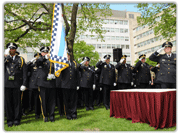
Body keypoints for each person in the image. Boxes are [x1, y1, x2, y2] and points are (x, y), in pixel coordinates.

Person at [4, 42, 27, 127]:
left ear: (15, 50)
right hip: (6, 84)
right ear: (8, 50)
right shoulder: (5, 59)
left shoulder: (20, 59)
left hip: (17, 84)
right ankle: (9, 119)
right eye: (10, 49)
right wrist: (5, 57)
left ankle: (17, 119)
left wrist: (24, 84)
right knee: (8, 103)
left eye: (13, 49)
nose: (12, 50)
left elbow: (24, 73)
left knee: (17, 102)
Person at [35, 46, 56, 122]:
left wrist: (54, 74)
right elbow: (38, 62)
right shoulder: (40, 58)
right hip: (43, 83)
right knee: (43, 100)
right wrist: (44, 57)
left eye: (47, 52)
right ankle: (45, 116)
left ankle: (52, 115)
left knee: (52, 100)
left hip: (51, 82)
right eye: (44, 52)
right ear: (41, 53)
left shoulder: (52, 60)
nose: (46, 53)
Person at [56, 52, 79, 120]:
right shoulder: (62, 64)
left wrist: (77, 84)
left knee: (73, 101)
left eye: (68, 55)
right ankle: (68, 115)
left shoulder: (74, 63)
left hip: (73, 84)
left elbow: (77, 74)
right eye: (66, 55)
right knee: (66, 101)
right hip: (65, 85)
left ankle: (74, 114)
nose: (68, 56)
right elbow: (59, 74)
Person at [27, 52, 41, 119]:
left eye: (38, 57)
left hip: (38, 84)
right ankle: (30, 109)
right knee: (30, 99)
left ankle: (37, 113)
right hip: (31, 84)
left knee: (37, 100)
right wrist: (30, 61)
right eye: (36, 57)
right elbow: (26, 67)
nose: (36, 58)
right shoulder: (31, 65)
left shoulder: (40, 65)